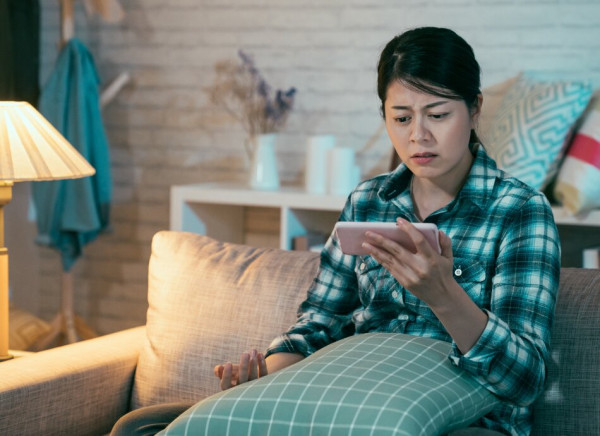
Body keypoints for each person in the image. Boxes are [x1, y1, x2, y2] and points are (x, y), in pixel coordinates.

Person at [112, 27, 560, 436]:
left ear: (474, 108)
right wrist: (268, 376)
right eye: (401, 118)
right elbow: (320, 322)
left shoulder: (520, 211)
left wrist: (444, 294)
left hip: (468, 420)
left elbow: (524, 380)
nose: (419, 136)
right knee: (142, 425)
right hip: (355, 393)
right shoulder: (368, 202)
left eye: (438, 115)